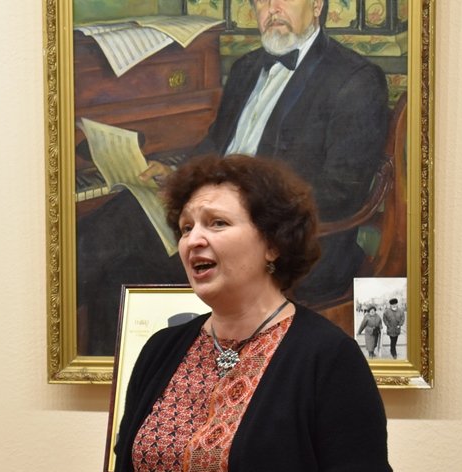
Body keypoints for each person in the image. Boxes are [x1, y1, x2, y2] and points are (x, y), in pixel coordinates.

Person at [85, 155, 391, 472]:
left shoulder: (327, 359)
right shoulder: (160, 353)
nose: (193, 240)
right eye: (186, 227)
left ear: (273, 243)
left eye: (217, 223)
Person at [76, 0, 389, 356]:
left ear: (317, 4)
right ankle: (104, 375)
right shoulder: (246, 67)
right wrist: (178, 174)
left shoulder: (355, 78)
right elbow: (216, 144)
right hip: (216, 223)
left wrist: (245, 204)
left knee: (113, 245)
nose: (272, 8)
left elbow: (343, 191)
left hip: (284, 243)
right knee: (113, 248)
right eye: (261, 1)